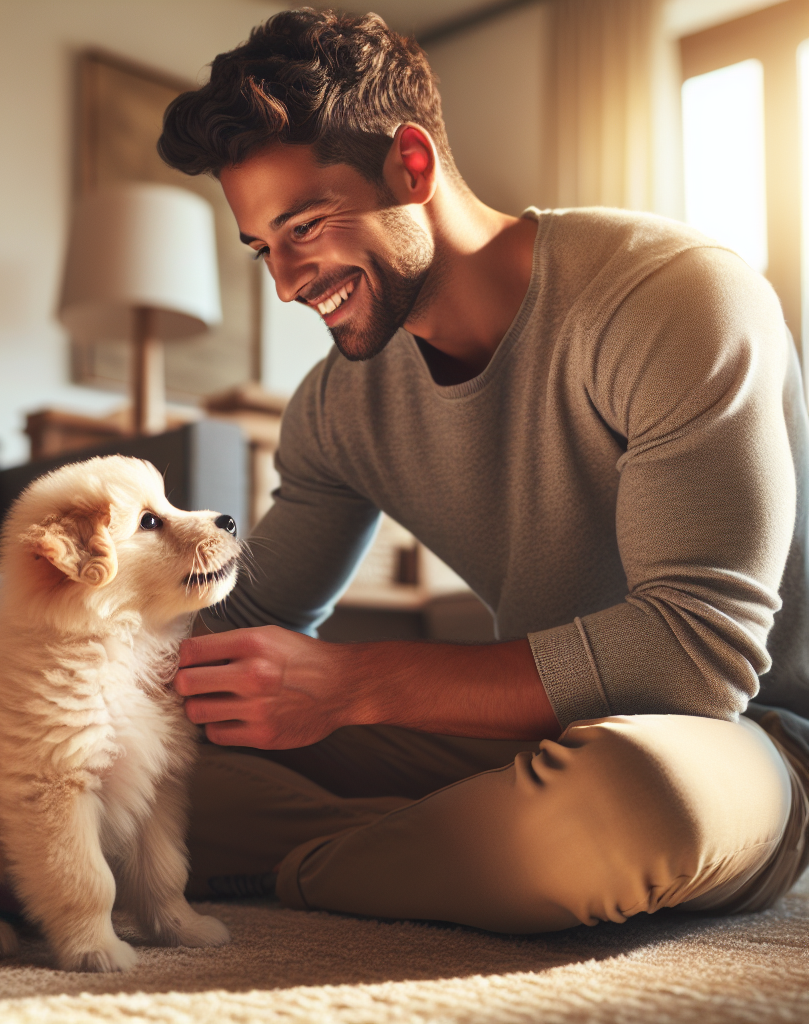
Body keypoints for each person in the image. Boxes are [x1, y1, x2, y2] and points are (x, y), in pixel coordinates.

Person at [156, 8, 809, 931]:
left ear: (410, 166)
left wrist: (351, 684)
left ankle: (326, 865)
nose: (286, 282)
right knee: (131, 772)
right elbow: (251, 623)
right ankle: (459, 850)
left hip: (744, 736)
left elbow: (695, 658)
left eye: (305, 225)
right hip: (524, 740)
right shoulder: (338, 404)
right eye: (264, 246)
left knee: (625, 804)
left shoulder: (676, 296)